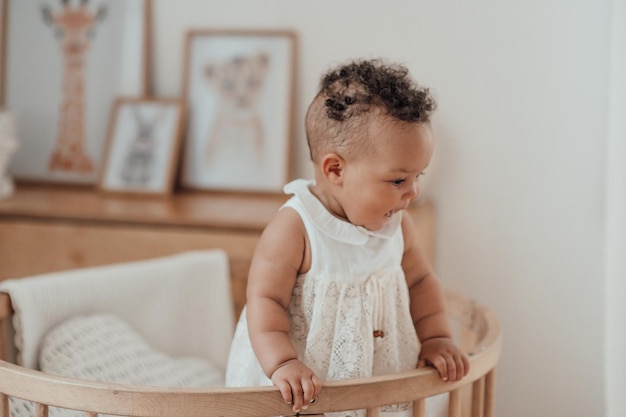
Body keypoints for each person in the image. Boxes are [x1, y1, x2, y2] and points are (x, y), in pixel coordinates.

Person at [225, 58, 469, 416]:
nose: (413, 192)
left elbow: (419, 281)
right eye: (399, 180)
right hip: (300, 386)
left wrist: (437, 338)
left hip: (374, 379)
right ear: (336, 169)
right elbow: (266, 300)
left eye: (419, 176)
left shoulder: (397, 225)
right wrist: (281, 364)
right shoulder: (296, 228)